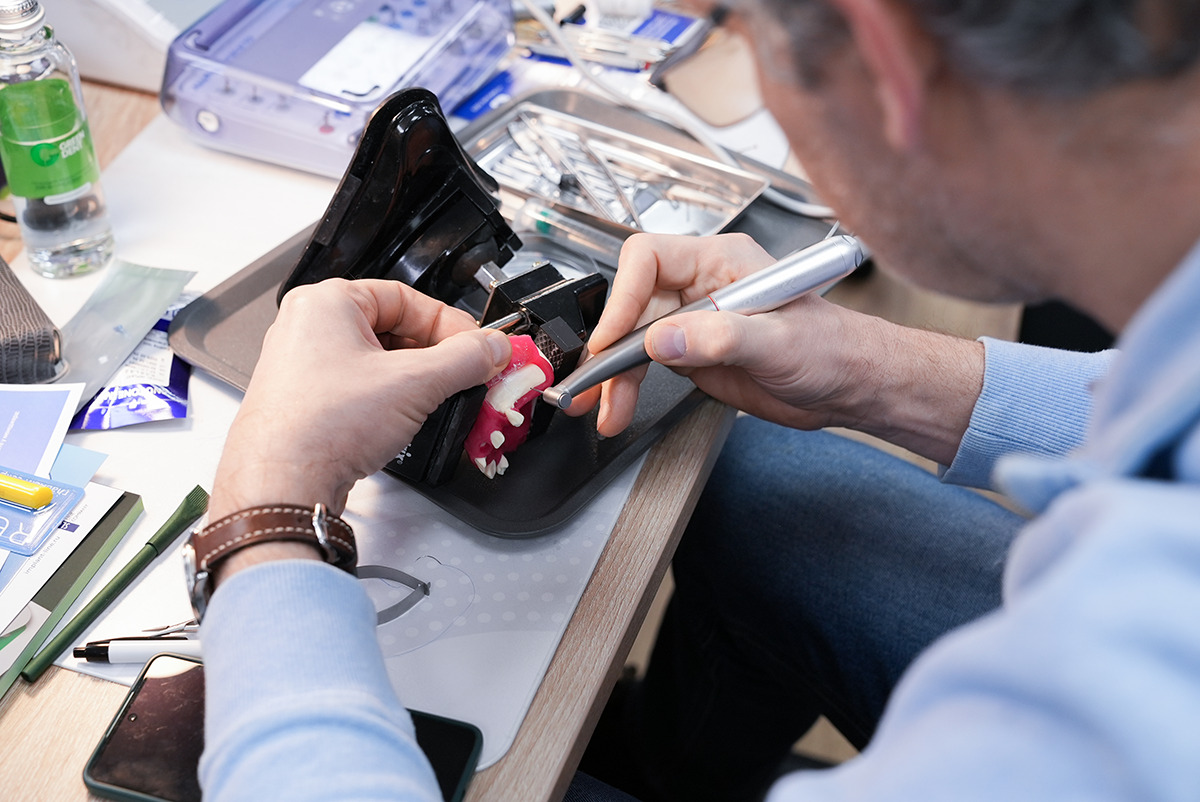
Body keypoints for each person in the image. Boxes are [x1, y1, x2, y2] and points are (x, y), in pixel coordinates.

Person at [193, 1, 1200, 801]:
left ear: (884, 55)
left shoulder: (1092, 717)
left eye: (731, 36)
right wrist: (870, 365)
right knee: (753, 475)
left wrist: (264, 521)